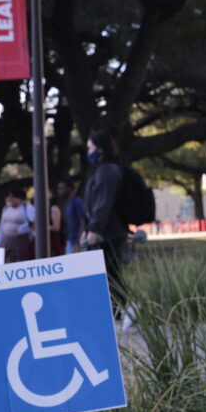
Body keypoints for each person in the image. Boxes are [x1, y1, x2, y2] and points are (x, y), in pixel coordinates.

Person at [83, 130, 129, 317]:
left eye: (90, 148)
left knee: (109, 273)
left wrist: (94, 229)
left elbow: (103, 204)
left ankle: (116, 311)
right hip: (108, 231)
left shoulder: (106, 172)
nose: (88, 152)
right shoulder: (105, 170)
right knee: (110, 272)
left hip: (109, 232)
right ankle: (115, 310)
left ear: (100, 148)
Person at [0, 186, 36, 263]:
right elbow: (1, 226)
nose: (10, 199)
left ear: (20, 198)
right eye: (9, 197)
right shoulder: (6, 208)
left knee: (18, 261)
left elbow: (33, 224)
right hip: (6, 240)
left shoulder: (28, 208)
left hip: (20, 240)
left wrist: (23, 229)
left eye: (13, 197)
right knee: (4, 260)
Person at [57, 177, 86, 254]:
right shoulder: (66, 204)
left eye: (61, 188)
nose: (59, 190)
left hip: (78, 241)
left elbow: (83, 222)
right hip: (70, 241)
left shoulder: (77, 202)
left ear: (69, 189)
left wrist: (79, 242)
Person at [49, 190, 64, 257]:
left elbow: (56, 227)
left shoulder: (54, 208)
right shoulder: (42, 208)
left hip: (52, 240)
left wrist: (42, 228)